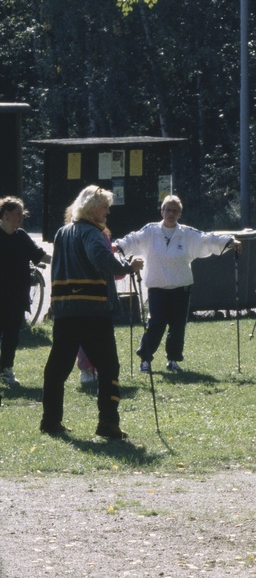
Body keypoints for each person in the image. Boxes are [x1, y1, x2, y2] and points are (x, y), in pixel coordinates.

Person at [41, 185, 144, 439]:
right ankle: (108, 423)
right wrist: (128, 266)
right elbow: (101, 258)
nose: (108, 211)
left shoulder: (63, 232)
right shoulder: (92, 233)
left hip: (65, 309)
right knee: (108, 366)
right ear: (91, 208)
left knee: (57, 368)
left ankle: (50, 421)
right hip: (92, 309)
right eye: (105, 207)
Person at [114, 195, 240, 373]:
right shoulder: (150, 231)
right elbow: (133, 239)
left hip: (181, 288)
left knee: (178, 326)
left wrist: (230, 241)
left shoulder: (187, 233)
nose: (171, 214)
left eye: (175, 211)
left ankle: (173, 359)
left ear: (180, 214)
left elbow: (206, 239)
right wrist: (118, 246)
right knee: (156, 324)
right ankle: (145, 359)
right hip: (157, 288)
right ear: (162, 212)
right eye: (168, 210)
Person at [0, 197, 51, 386]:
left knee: (12, 335)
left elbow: (39, 255)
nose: (21, 217)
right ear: (6, 214)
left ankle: (6, 369)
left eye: (23, 214)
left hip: (17, 295)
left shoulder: (21, 236)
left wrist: (62, 260)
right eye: (18, 214)